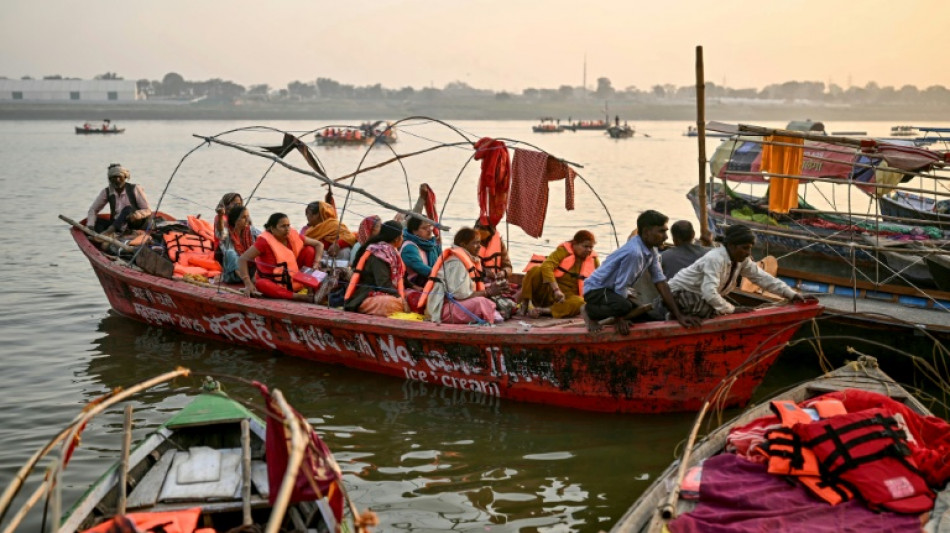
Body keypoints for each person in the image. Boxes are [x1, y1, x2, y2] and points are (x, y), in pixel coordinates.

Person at [581, 210, 700, 334]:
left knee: (643, 311)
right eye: (661, 231)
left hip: (613, 290)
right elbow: (621, 286)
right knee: (623, 307)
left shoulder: (652, 249)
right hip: (597, 290)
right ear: (646, 232)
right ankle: (589, 311)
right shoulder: (635, 253)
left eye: (666, 231)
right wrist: (620, 319)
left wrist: (679, 315)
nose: (665, 237)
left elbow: (661, 282)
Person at [665, 224, 807, 319]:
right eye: (744, 248)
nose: (748, 253)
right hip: (678, 296)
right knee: (716, 311)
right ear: (731, 246)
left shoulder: (742, 260)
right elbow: (709, 292)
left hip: (699, 297)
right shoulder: (715, 258)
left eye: (750, 248)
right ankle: (676, 317)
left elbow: (763, 278)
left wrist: (792, 294)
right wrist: (733, 310)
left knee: (718, 309)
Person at [423, 228, 504, 324]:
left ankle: (494, 313)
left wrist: (492, 287)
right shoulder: (456, 263)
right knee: (481, 302)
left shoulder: (465, 260)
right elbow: (460, 296)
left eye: (479, 243)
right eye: (475, 243)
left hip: (455, 306)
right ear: (463, 245)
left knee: (491, 297)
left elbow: (468, 290)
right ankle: (493, 315)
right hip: (444, 309)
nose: (479, 247)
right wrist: (488, 292)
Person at [237, 212, 322, 301]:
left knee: (309, 250)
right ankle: (299, 297)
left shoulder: (292, 235)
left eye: (288, 225)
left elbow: (319, 244)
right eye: (283, 226)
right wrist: (247, 283)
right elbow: (242, 259)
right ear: (273, 229)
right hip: (273, 281)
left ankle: (310, 289)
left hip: (294, 277)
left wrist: (316, 263)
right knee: (261, 284)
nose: (287, 229)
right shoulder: (264, 242)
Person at [520, 230, 599, 318]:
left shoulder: (594, 260)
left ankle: (544, 311)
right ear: (575, 244)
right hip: (549, 291)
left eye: (591, 247)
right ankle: (525, 304)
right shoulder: (563, 251)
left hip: (566, 299)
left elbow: (601, 280)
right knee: (535, 270)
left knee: (580, 302)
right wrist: (556, 290)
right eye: (585, 246)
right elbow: (546, 266)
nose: (588, 250)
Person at [344, 220, 408, 316]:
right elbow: (383, 284)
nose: (403, 239)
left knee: (413, 296)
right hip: (367, 294)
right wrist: (401, 299)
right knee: (391, 304)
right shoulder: (379, 253)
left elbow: (400, 278)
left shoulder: (392, 252)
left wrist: (415, 287)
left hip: (388, 291)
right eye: (402, 236)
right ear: (396, 239)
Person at [86, 163, 152, 240]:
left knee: (128, 209)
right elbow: (93, 209)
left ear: (125, 177)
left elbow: (147, 210)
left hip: (133, 222)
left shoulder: (134, 188)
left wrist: (136, 215)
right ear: (110, 179)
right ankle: (106, 237)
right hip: (117, 224)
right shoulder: (107, 192)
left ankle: (107, 234)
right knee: (96, 221)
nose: (117, 180)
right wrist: (90, 226)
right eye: (114, 177)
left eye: (119, 177)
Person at [473, 220, 517, 318]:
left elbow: (508, 266)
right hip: (478, 283)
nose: (479, 230)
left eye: (482, 228)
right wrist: (484, 272)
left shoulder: (498, 242)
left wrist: (503, 272)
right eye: (477, 227)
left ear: (491, 231)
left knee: (510, 292)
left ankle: (503, 307)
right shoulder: (470, 242)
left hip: (497, 282)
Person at [401, 215, 441, 301]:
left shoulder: (432, 244)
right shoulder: (409, 247)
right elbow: (422, 268)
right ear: (415, 231)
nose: (429, 230)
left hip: (432, 282)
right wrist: (443, 276)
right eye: (424, 228)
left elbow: (442, 262)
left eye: (430, 226)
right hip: (414, 286)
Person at [217, 204, 261, 283]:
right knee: (230, 253)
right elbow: (220, 232)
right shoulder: (227, 232)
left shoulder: (251, 230)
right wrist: (220, 216)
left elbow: (264, 238)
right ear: (235, 219)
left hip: (251, 272)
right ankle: (247, 281)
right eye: (244, 217)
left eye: (248, 216)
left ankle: (253, 279)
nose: (247, 220)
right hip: (233, 275)